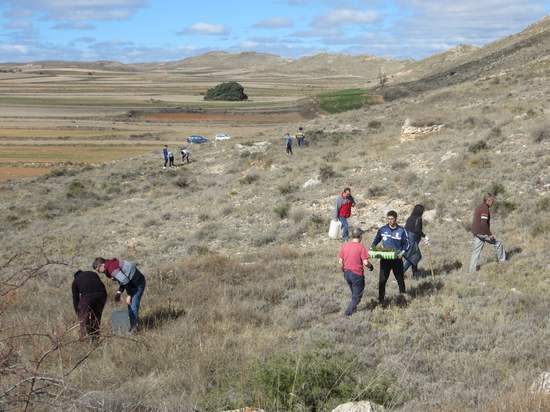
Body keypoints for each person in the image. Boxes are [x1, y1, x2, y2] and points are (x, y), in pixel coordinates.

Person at [93, 257, 146, 333]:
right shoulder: (111, 265)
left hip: (138, 284)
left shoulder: (112, 268)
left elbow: (125, 281)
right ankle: (133, 326)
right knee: (131, 306)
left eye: (98, 270)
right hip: (133, 283)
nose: (99, 272)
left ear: (102, 265)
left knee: (133, 306)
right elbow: (123, 280)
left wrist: (129, 295)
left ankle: (134, 329)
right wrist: (119, 292)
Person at [371, 210, 410, 304]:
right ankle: (381, 299)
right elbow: (376, 240)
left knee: (400, 279)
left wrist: (403, 252)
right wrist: (372, 248)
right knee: (382, 280)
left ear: (396, 219)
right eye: (388, 219)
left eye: (392, 219)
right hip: (385, 259)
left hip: (397, 259)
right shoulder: (382, 229)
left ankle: (402, 299)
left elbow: (407, 244)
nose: (390, 221)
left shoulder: (401, 230)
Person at [338, 227, 374, 316]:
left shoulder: (345, 245)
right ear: (360, 236)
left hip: (347, 273)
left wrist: (343, 270)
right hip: (357, 274)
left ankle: (353, 309)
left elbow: (340, 261)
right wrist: (371, 267)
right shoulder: (361, 247)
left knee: (354, 293)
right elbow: (365, 262)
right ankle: (348, 312)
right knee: (357, 295)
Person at [468, 194, 506, 272]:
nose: (493, 202)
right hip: (482, 232)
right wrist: (490, 235)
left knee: (476, 252)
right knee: (498, 243)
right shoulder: (485, 209)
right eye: (492, 200)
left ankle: (471, 271)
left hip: (476, 232)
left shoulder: (480, 207)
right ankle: (503, 262)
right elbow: (483, 224)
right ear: (488, 200)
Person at [71, 270, 107, 340]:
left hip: (88, 297)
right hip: (102, 294)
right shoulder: (92, 273)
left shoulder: (75, 281)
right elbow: (101, 284)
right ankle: (95, 339)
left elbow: (76, 300)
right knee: (96, 318)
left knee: (83, 320)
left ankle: (84, 339)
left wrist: (78, 313)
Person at [403, 204, 428, 279]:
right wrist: (425, 236)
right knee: (416, 256)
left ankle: (415, 273)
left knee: (413, 256)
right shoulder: (418, 218)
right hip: (412, 240)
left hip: (407, 239)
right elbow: (417, 230)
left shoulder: (410, 217)